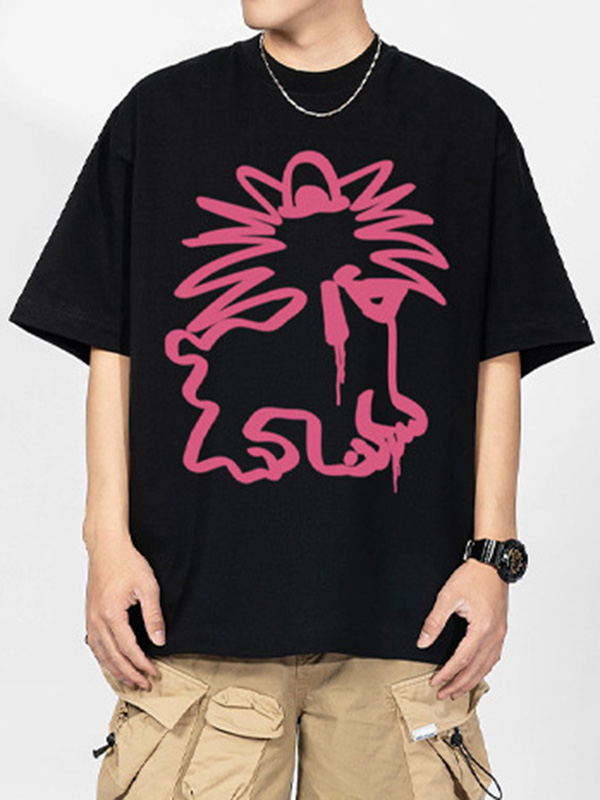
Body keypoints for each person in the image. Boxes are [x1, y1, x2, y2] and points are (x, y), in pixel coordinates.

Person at [8, 1, 595, 798]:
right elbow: (112, 339)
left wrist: (493, 556)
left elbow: (501, 350)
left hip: (404, 624)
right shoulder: (163, 115)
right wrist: (104, 540)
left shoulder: (460, 125)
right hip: (194, 615)